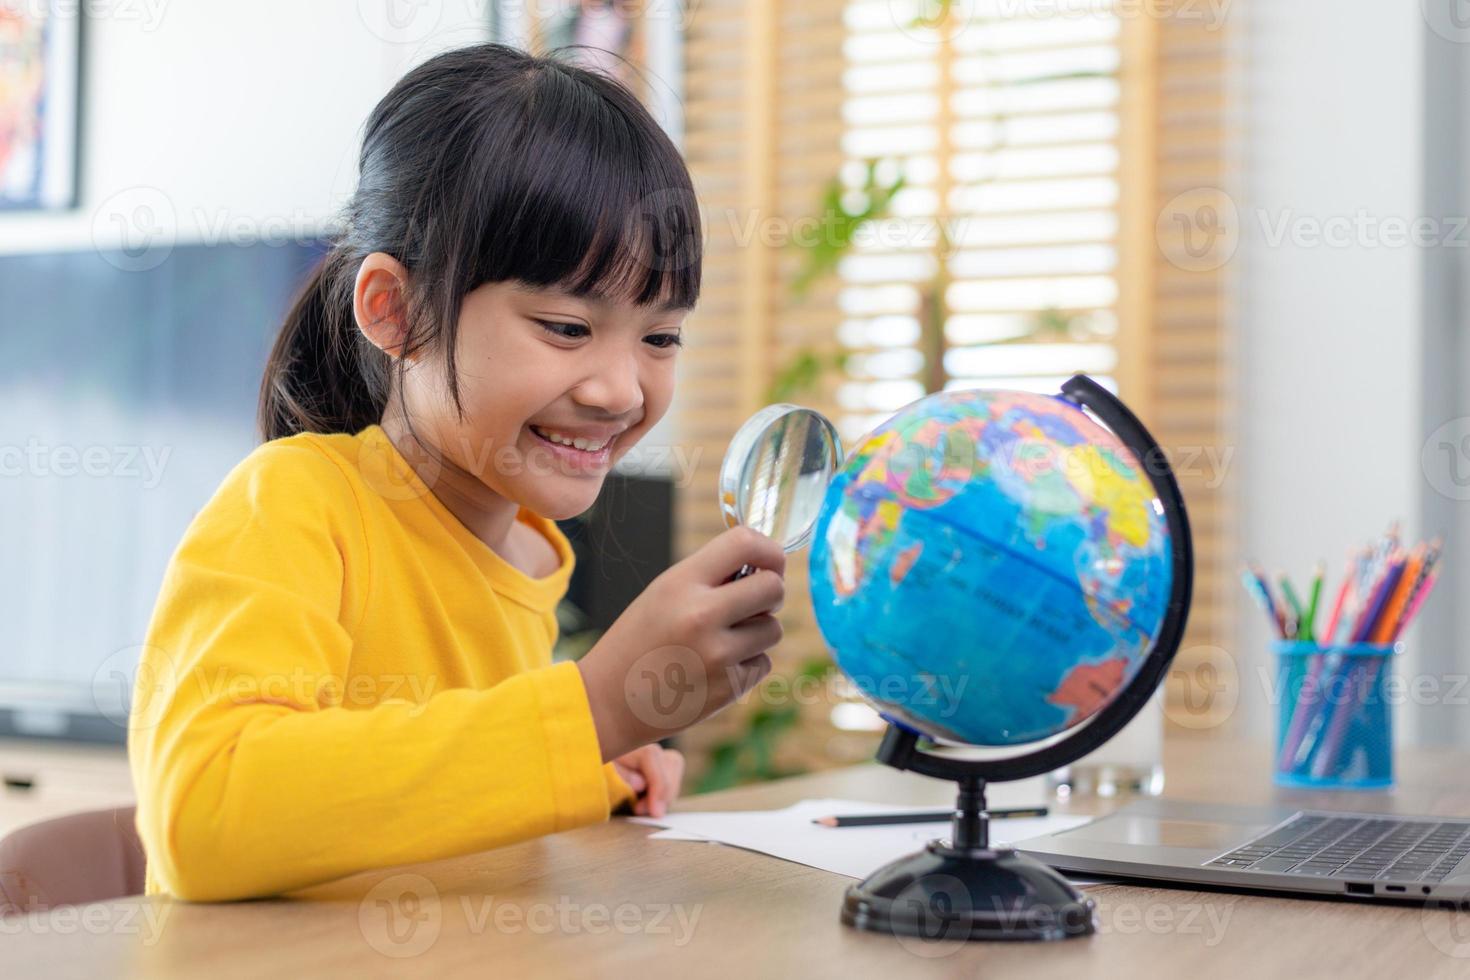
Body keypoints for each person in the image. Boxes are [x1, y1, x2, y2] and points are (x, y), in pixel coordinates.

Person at [127, 42, 785, 902]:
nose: (622, 389)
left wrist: (593, 769)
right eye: (564, 326)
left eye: (660, 337)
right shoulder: (293, 504)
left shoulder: (532, 553)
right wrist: (588, 711)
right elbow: (204, 810)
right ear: (394, 310)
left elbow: (428, 791)